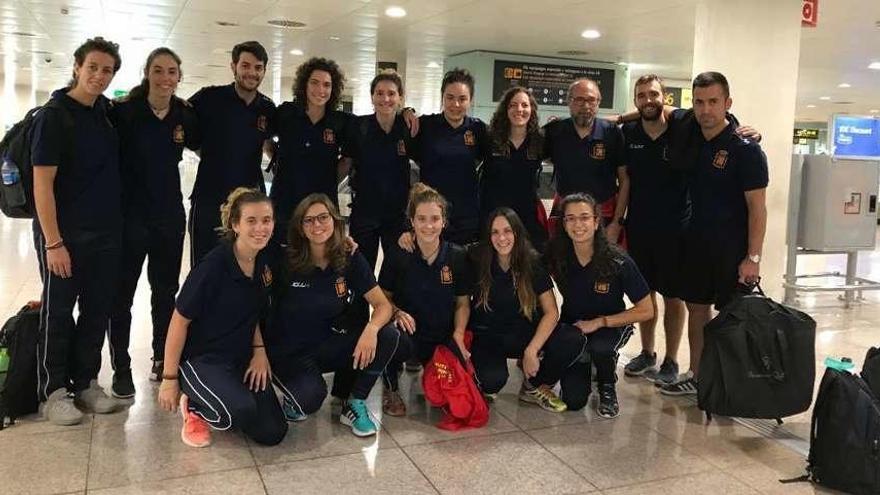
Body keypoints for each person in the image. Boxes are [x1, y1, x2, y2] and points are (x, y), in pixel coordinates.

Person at [32, 37, 123, 426]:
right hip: (63, 237)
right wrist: (54, 243)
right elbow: (42, 186)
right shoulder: (53, 117)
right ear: (76, 67)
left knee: (96, 312)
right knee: (57, 313)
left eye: (107, 70)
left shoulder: (105, 113)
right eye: (93, 67)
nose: (99, 76)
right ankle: (52, 393)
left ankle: (86, 382)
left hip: (105, 235)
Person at [659, 72, 768, 396]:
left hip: (732, 251)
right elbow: (657, 110)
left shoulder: (745, 149)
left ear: (727, 104)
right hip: (695, 245)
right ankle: (698, 374)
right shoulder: (692, 140)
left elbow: (758, 209)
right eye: (700, 102)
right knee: (696, 309)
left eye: (713, 102)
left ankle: (733, 385)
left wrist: (753, 257)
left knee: (733, 318)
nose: (706, 109)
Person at [157, 188, 287, 448]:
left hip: (239, 357)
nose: (260, 228)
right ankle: (193, 405)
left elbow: (252, 313)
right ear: (235, 224)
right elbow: (179, 320)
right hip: (202, 359)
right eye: (251, 221)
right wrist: (168, 379)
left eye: (266, 220)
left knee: (273, 432)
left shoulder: (265, 260)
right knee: (236, 413)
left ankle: (228, 396)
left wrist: (259, 351)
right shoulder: (213, 267)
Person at [266, 193, 400, 437]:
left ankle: (355, 403)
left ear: (335, 221)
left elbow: (383, 306)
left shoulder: (348, 256)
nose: (317, 225)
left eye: (323, 217)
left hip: (328, 342)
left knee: (388, 335)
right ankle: (293, 394)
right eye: (309, 220)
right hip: (291, 350)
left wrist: (370, 330)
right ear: (300, 227)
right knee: (309, 401)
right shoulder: (285, 260)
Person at [107, 47, 200, 399]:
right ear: (147, 73)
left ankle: (163, 358)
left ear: (179, 77)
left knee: (165, 293)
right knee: (122, 294)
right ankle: (120, 366)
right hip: (130, 217)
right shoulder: (124, 112)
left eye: (172, 72)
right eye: (158, 71)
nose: (165, 78)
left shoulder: (184, 115)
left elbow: (207, 149)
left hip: (168, 216)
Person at [546, 193, 653, 418]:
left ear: (596, 222)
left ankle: (606, 384)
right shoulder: (558, 255)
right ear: (563, 224)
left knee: (601, 348)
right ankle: (584, 362)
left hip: (610, 326)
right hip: (574, 326)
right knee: (574, 401)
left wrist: (600, 322)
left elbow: (647, 309)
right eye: (571, 218)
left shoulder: (618, 260)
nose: (578, 225)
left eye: (584, 217)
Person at [468, 208, 583, 411]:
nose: (501, 238)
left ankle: (534, 386)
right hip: (489, 336)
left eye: (507, 231)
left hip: (525, 334)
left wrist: (532, 349)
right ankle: (484, 377)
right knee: (491, 382)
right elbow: (443, 249)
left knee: (572, 338)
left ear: (517, 233)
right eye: (495, 232)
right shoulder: (477, 257)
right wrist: (409, 236)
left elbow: (551, 312)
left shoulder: (532, 262)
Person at [379, 183, 471, 416]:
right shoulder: (398, 254)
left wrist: (458, 334)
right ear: (412, 221)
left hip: (441, 337)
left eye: (434, 219)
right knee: (388, 334)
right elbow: (382, 300)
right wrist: (397, 312)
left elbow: (462, 303)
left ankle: (432, 365)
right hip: (408, 336)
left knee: (449, 402)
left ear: (444, 222)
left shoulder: (457, 256)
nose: (428, 226)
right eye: (421, 219)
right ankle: (391, 389)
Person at [619, 75, 687, 386]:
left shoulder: (682, 127)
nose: (648, 100)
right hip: (640, 227)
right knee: (644, 295)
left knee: (674, 296)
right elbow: (625, 181)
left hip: (676, 230)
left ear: (665, 97)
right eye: (642, 95)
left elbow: (713, 118)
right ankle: (647, 353)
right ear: (635, 100)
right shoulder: (628, 133)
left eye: (654, 94)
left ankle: (671, 359)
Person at [188, 41, 275, 265]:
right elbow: (180, 123)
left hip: (248, 202)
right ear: (233, 66)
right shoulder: (209, 99)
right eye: (245, 66)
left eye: (258, 67)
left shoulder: (266, 108)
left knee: (244, 265)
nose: (252, 73)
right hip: (210, 198)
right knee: (205, 267)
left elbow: (269, 144)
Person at [270, 57, 352, 245]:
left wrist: (329, 179)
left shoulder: (340, 122)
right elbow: (266, 141)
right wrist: (281, 167)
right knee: (283, 256)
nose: (321, 90)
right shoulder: (286, 113)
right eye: (314, 83)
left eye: (327, 85)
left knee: (319, 256)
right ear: (304, 85)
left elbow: (347, 160)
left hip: (323, 203)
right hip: (285, 201)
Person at [404, 68, 488, 245]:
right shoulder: (426, 126)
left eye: (462, 99)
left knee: (464, 270)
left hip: (466, 217)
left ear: (470, 100)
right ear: (442, 97)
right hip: (431, 218)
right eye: (450, 97)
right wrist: (406, 110)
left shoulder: (478, 129)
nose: (455, 104)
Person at [342, 70, 413, 270]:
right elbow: (346, 162)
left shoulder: (407, 128)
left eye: (391, 93)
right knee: (361, 271)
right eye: (379, 93)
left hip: (397, 216)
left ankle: (389, 303)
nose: (385, 99)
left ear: (400, 97)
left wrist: (409, 110)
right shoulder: (359, 127)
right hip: (364, 213)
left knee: (396, 272)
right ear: (372, 96)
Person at [543, 78, 628, 243]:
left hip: (604, 217)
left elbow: (624, 181)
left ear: (598, 102)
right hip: (566, 217)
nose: (585, 105)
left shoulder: (612, 133)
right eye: (579, 99)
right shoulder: (555, 132)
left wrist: (617, 224)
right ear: (569, 102)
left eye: (591, 100)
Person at [480, 87, 548, 252]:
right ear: (506, 109)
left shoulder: (539, 140)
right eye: (513, 105)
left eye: (525, 105)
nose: (519, 109)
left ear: (531, 109)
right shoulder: (490, 138)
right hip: (493, 213)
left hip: (526, 216)